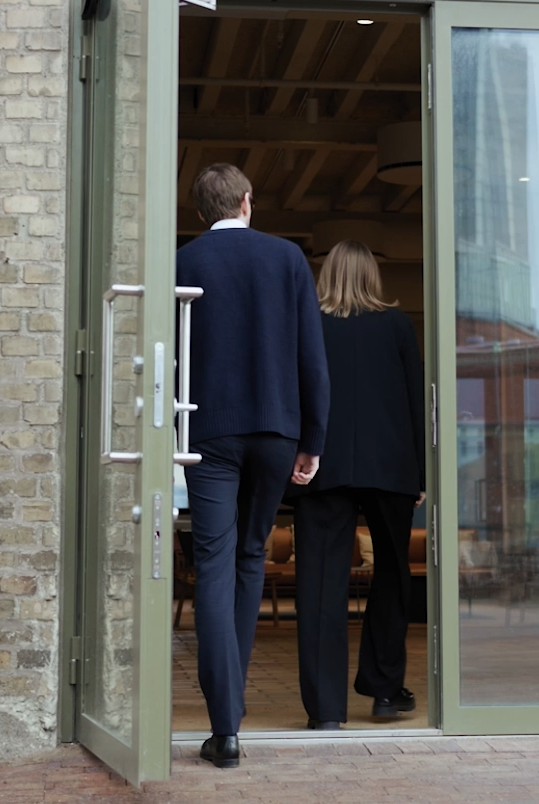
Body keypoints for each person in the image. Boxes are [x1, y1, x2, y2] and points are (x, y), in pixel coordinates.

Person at [176, 163, 330, 769]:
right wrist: (311, 440)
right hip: (275, 430)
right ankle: (230, 718)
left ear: (201, 213)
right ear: (247, 201)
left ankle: (226, 727)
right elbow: (310, 356)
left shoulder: (185, 261)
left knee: (213, 565)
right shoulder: (288, 258)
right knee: (248, 556)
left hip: (209, 431)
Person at [291, 239, 425, 730]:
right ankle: (385, 691)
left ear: (326, 276)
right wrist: (421, 476)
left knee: (320, 586)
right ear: (373, 275)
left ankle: (326, 712)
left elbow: (297, 394)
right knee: (392, 575)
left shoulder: (311, 324)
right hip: (391, 470)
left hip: (323, 469)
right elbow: (416, 402)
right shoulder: (396, 325)